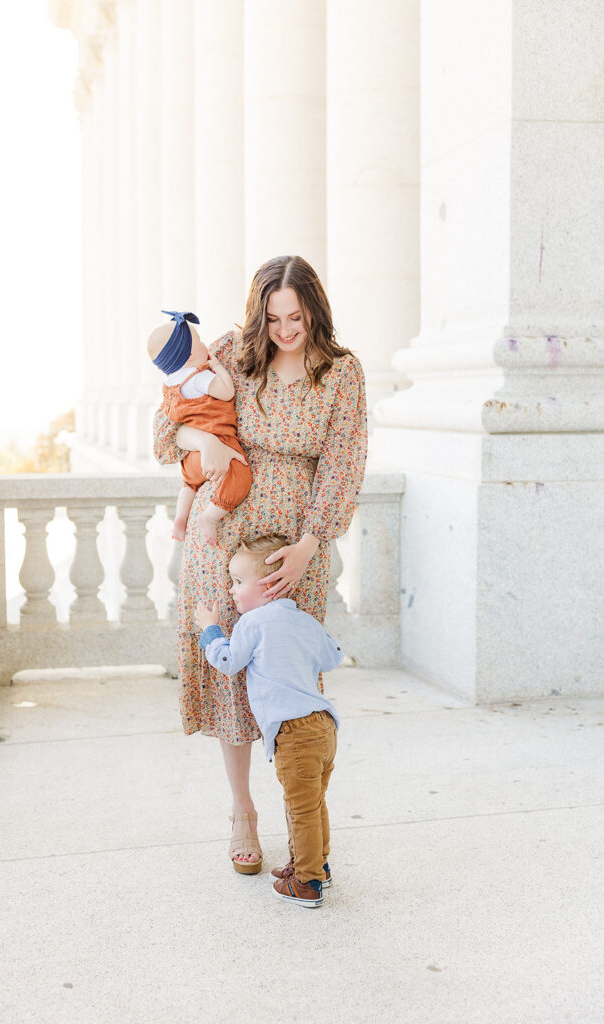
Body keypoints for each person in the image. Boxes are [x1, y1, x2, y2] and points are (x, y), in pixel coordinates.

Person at [152, 255, 368, 874]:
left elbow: (343, 462)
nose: (284, 329)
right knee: (230, 678)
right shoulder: (230, 353)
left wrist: (310, 544)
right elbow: (166, 429)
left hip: (291, 550)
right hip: (223, 543)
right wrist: (207, 442)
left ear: (314, 312)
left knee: (287, 681)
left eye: (295, 316)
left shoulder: (341, 373)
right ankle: (242, 811)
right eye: (272, 317)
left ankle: (302, 818)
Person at [196, 535, 343, 907]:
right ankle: (315, 865)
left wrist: (211, 630)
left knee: (301, 808)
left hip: (293, 732)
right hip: (324, 726)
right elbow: (332, 657)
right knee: (315, 803)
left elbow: (229, 662)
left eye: (237, 582)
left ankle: (307, 884)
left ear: (265, 586)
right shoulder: (305, 620)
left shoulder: (252, 623)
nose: (231, 590)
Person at [147, 309, 251, 545]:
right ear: (192, 354)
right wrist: (218, 369)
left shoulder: (170, 385)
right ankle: (210, 517)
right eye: (200, 342)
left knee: (189, 485)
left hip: (192, 459)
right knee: (240, 474)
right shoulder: (198, 377)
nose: (207, 345)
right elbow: (226, 392)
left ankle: (181, 517)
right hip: (219, 445)